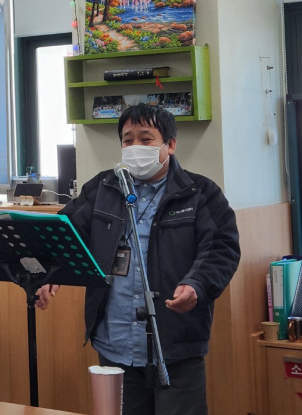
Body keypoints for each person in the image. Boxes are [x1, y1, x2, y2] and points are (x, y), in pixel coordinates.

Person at [34, 104, 240, 415]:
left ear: (170, 144)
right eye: (127, 140)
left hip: (174, 344)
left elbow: (221, 249)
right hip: (114, 341)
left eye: (146, 139)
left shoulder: (200, 193)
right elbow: (65, 235)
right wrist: (50, 273)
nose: (135, 147)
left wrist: (196, 285)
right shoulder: (102, 188)